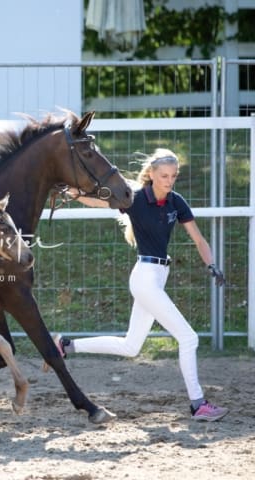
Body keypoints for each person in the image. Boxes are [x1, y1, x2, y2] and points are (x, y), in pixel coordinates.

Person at [55, 148, 228, 422]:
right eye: (164, 176)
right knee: (189, 338)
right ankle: (198, 405)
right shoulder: (134, 198)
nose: (169, 181)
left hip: (159, 276)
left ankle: (65, 345)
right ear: (151, 174)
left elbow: (199, 239)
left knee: (131, 346)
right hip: (145, 277)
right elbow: (98, 202)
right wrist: (73, 192)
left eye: (173, 176)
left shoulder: (176, 201)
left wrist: (211, 264)